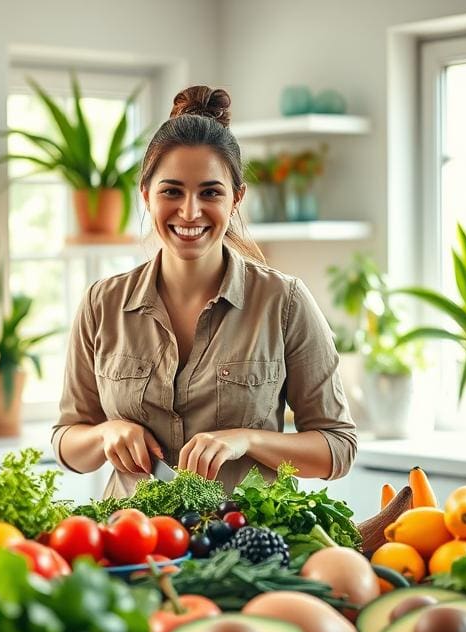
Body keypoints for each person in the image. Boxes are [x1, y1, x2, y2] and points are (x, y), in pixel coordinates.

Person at [52, 85, 357, 497]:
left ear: (236, 199)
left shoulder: (283, 303)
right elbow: (68, 442)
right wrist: (107, 434)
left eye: (210, 192)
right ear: (146, 195)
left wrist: (247, 440)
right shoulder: (102, 304)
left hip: (243, 552)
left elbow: (337, 447)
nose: (190, 212)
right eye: (171, 191)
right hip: (131, 546)